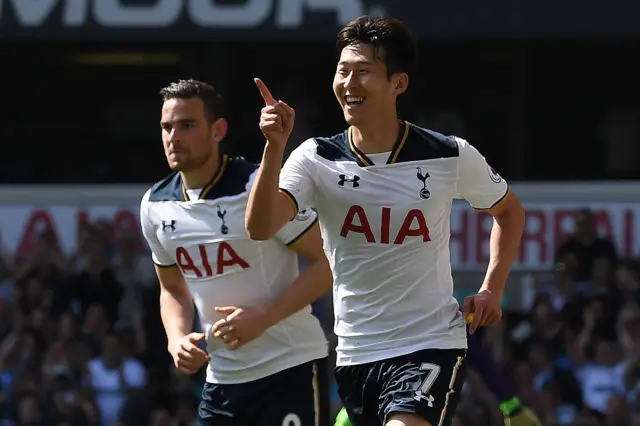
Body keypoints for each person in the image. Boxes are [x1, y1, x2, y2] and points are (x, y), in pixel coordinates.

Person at [245, 15, 525, 426]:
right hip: (355, 353)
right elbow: (260, 227)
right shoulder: (314, 158)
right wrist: (274, 149)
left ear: (399, 83)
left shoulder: (449, 154)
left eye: (364, 72)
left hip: (430, 344)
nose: (348, 83)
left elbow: (508, 211)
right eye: (343, 71)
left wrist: (491, 290)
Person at [139, 79, 330, 426]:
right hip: (222, 381)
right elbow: (172, 289)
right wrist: (176, 338)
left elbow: (326, 262)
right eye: (167, 127)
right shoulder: (154, 204)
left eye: (187, 125)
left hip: (289, 367)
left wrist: (264, 317)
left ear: (218, 130)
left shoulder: (257, 186)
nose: (174, 136)